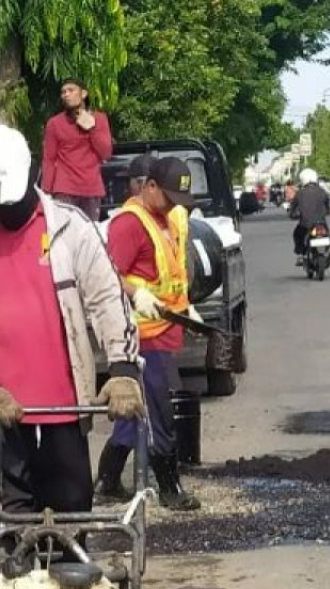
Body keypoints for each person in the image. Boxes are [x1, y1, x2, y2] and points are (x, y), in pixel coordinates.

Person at [0, 125, 146, 570]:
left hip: (62, 412)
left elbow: (108, 299)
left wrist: (123, 368)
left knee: (68, 534)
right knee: (1, 539)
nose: (0, 208)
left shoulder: (72, 228)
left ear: (31, 175)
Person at [96, 156, 203, 511]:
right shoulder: (128, 225)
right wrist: (136, 293)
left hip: (165, 329)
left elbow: (173, 272)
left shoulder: (167, 217)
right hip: (140, 336)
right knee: (159, 413)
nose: (174, 205)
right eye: (169, 197)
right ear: (150, 187)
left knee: (134, 412)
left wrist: (186, 307)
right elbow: (106, 275)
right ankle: (170, 487)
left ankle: (108, 480)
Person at [41, 78, 113, 221]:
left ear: (83, 94)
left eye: (71, 90)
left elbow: (105, 153)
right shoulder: (54, 123)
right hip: (64, 190)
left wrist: (92, 128)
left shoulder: (100, 119)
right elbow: (49, 159)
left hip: (91, 190)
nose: (66, 95)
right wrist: (46, 192)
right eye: (63, 92)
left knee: (89, 233)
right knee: (65, 233)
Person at [289, 168, 330, 264]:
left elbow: (293, 208)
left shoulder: (300, 193)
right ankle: (329, 250)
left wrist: (292, 215)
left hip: (305, 224)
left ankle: (300, 254)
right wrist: (327, 212)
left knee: (297, 234)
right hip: (321, 222)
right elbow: (327, 205)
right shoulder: (322, 191)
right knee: (327, 233)